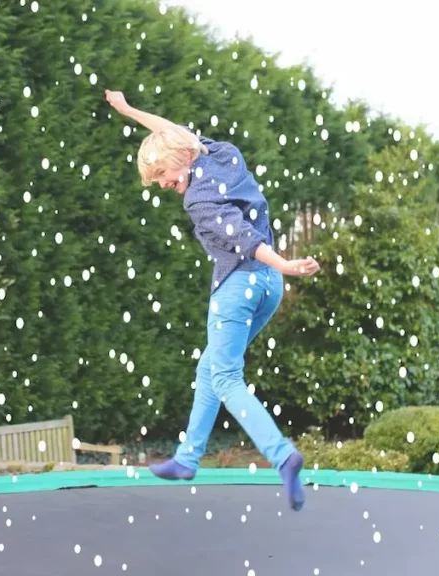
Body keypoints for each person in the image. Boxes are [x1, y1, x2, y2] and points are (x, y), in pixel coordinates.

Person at [105, 89, 319, 511]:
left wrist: (285, 263)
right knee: (211, 367)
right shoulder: (222, 154)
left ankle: (282, 456)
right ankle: (187, 459)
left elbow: (243, 236)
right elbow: (173, 133)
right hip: (267, 288)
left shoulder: (198, 200)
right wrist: (129, 112)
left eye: (162, 175)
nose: (164, 185)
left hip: (238, 286)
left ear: (179, 159)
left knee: (224, 378)